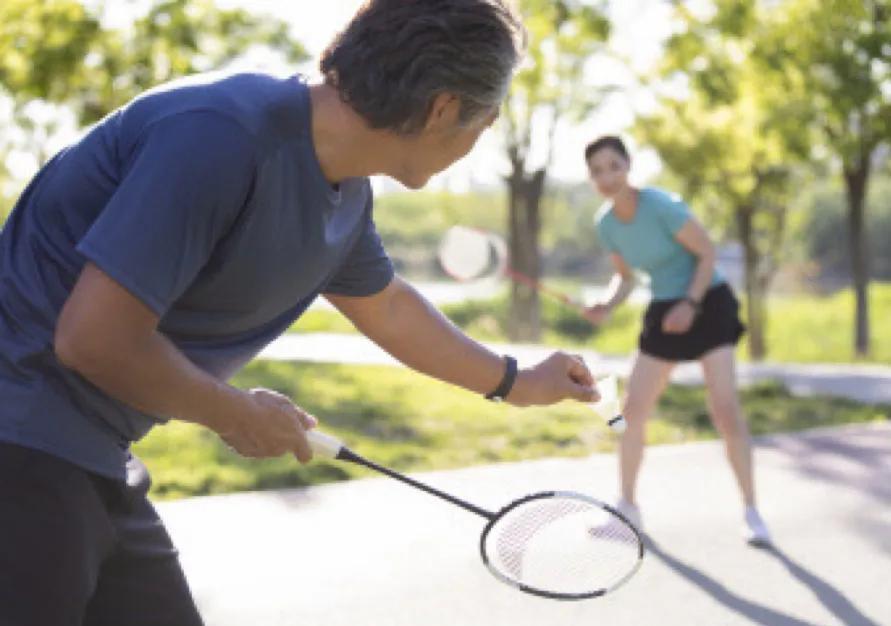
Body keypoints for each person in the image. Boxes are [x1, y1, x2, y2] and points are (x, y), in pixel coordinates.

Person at [0, 3, 601, 625]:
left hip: (88, 457)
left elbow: (389, 308)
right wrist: (234, 412)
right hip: (20, 444)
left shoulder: (345, 190)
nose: (481, 138)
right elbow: (94, 339)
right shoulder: (220, 135)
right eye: (488, 118)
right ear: (445, 108)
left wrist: (520, 382)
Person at [582, 135, 771, 546]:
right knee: (631, 410)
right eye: (597, 171)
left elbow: (707, 253)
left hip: (708, 301)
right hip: (664, 308)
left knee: (724, 408)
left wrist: (690, 304)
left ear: (628, 166)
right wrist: (606, 304)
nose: (607, 177)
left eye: (614, 166)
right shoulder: (606, 224)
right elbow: (626, 277)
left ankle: (752, 510)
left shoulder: (660, 206)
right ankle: (628, 508)